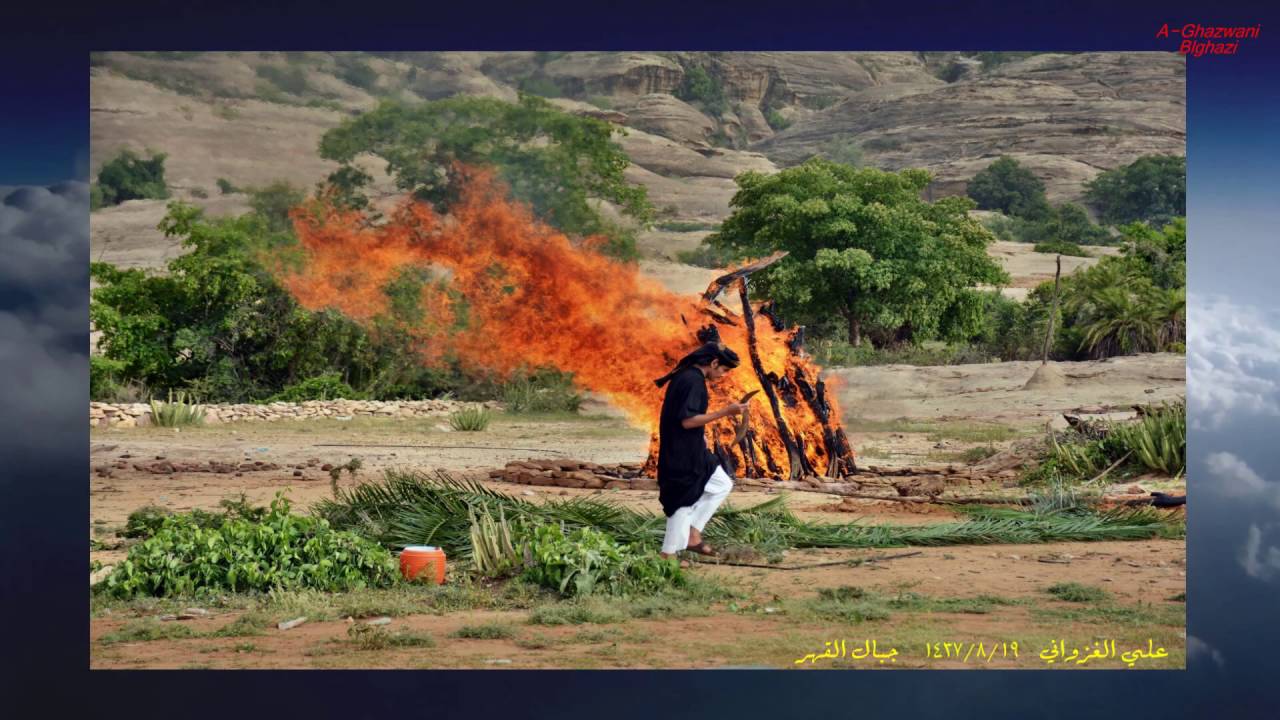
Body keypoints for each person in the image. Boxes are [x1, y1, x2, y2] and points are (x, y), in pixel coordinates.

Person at [653, 341, 749, 564]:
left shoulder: (687, 377)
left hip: (692, 449)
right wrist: (726, 411)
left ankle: (692, 534)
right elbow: (687, 421)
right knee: (683, 499)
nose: (723, 375)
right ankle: (668, 555)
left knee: (721, 485)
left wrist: (702, 436)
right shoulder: (692, 380)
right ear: (714, 362)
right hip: (681, 453)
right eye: (724, 370)